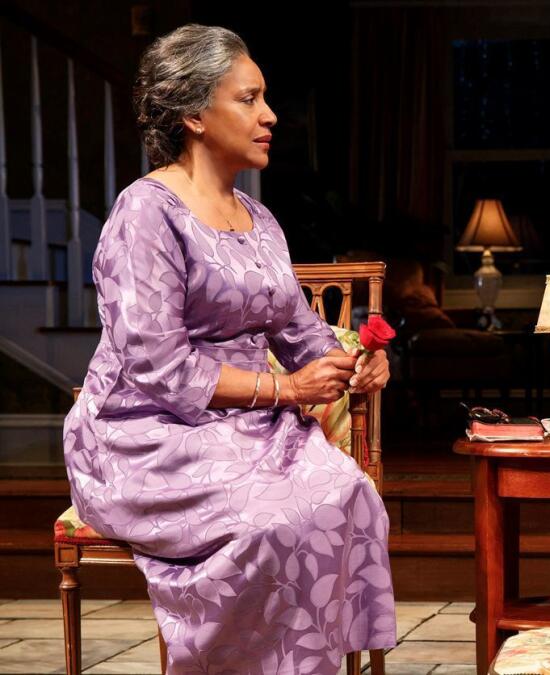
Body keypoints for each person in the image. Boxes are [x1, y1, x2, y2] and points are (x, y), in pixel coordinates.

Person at [62, 24, 396, 673]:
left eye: (265, 98)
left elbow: (301, 336)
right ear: (192, 113)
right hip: (150, 436)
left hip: (252, 431)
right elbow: (155, 364)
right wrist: (287, 390)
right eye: (248, 98)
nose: (270, 115)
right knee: (270, 523)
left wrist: (358, 364)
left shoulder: (260, 219)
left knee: (347, 494)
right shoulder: (146, 212)